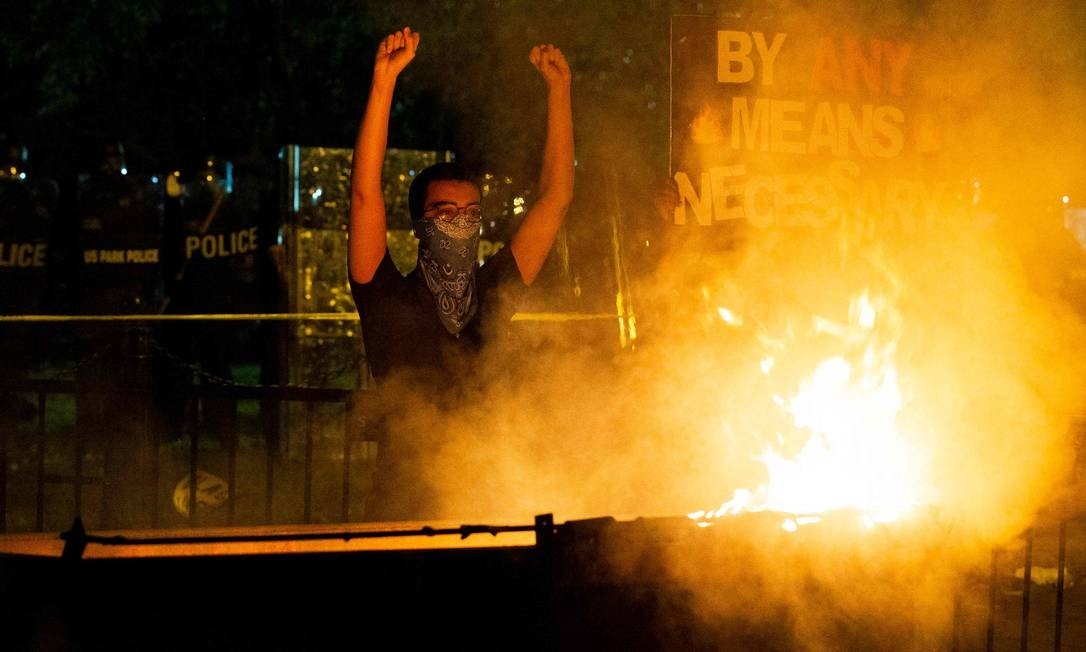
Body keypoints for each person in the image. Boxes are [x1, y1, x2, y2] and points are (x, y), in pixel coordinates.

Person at [347, 27, 574, 520]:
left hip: (486, 499)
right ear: (420, 223)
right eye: (445, 213)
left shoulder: (492, 290)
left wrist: (560, 92)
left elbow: (554, 202)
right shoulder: (386, 295)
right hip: (402, 509)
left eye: (470, 214)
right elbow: (365, 195)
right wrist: (384, 82)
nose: (460, 224)